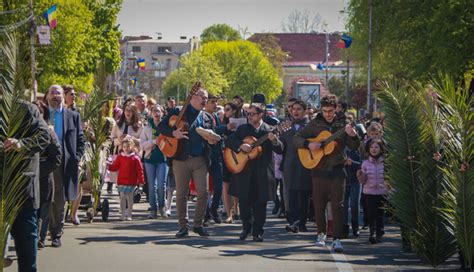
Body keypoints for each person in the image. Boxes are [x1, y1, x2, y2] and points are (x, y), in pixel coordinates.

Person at [293, 95, 359, 253]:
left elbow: (355, 146)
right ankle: (321, 234)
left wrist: (353, 135)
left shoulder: (343, 124)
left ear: (336, 108)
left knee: (338, 206)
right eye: (325, 110)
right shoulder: (315, 123)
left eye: (330, 110)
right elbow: (296, 138)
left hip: (337, 169)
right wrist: (309, 144)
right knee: (319, 204)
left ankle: (336, 239)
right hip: (319, 169)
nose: (328, 114)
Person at [2, 99, 50, 272]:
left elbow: (44, 137)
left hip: (22, 193)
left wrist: (21, 144)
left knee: (27, 259)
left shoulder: (27, 109)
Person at [158, 87, 213, 238]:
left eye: (206, 98)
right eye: (203, 97)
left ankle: (198, 224)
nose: (205, 101)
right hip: (181, 159)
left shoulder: (207, 117)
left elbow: (213, 138)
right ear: (193, 96)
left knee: (203, 192)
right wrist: (173, 133)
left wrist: (213, 140)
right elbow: (161, 127)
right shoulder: (178, 110)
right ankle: (183, 226)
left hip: (200, 159)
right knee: (181, 193)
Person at [226, 104, 283, 242]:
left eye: (252, 114)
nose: (249, 117)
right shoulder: (242, 129)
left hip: (262, 172)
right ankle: (246, 228)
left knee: (260, 204)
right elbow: (229, 140)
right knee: (244, 203)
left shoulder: (269, 130)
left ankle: (258, 232)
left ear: (260, 115)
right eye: (248, 114)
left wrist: (274, 140)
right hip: (244, 171)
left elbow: (280, 149)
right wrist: (240, 145)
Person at [46, 85, 85, 248]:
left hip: (64, 161)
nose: (55, 95)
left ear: (63, 96)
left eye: (58, 93)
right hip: (43, 160)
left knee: (59, 199)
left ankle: (56, 233)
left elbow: (80, 139)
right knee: (43, 197)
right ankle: (41, 233)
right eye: (52, 92)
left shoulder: (73, 116)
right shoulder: (41, 114)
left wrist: (76, 157)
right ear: (47, 96)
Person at [278, 100, 312, 233]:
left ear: (305, 111)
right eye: (293, 109)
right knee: (290, 193)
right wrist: (275, 140)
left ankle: (302, 222)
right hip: (290, 164)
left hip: (306, 163)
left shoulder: (311, 126)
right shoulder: (286, 126)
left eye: (298, 109)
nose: (295, 111)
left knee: (303, 195)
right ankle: (292, 221)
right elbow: (280, 148)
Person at [32, 101, 62, 249]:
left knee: (43, 212)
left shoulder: (49, 133)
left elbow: (56, 158)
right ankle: (31, 237)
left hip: (44, 179)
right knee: (32, 213)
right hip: (27, 181)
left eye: (40, 111)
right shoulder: (23, 131)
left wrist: (39, 170)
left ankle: (41, 239)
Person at [202, 94, 236, 224]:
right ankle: (205, 215)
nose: (215, 104)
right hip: (206, 155)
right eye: (212, 102)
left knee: (218, 186)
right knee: (204, 188)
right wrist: (225, 128)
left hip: (217, 155)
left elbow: (219, 132)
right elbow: (211, 131)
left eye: (216, 102)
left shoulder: (215, 116)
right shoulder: (203, 116)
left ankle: (213, 210)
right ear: (205, 104)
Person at [140, 104, 168, 218]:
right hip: (149, 159)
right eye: (154, 111)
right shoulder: (147, 127)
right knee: (152, 186)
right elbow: (142, 145)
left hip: (163, 159)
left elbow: (171, 142)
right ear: (151, 113)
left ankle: (162, 207)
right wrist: (153, 142)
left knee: (162, 185)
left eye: (158, 111)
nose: (156, 113)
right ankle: (153, 209)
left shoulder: (166, 127)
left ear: (162, 113)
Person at [357, 139, 387, 244]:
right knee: (371, 213)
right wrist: (360, 175)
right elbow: (362, 181)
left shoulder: (385, 163)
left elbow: (388, 178)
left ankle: (380, 232)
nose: (374, 149)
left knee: (380, 214)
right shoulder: (365, 163)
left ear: (381, 149)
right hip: (369, 193)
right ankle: (372, 233)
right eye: (372, 147)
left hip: (382, 192)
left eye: (376, 147)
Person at [109, 101, 143, 193]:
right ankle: (123, 200)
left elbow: (142, 142)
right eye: (126, 110)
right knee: (120, 182)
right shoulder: (117, 124)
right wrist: (119, 139)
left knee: (130, 182)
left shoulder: (139, 125)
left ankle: (130, 199)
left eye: (131, 111)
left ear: (134, 112)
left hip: (133, 157)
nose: (128, 113)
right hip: (120, 156)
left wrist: (131, 139)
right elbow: (111, 139)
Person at [108, 137, 145, 220]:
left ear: (132, 146)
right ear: (122, 147)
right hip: (121, 181)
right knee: (122, 198)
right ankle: (123, 214)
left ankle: (129, 215)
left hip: (131, 182)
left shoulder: (135, 158)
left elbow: (140, 171)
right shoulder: (120, 157)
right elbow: (115, 167)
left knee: (130, 199)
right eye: (124, 147)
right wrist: (108, 166)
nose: (126, 149)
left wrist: (141, 182)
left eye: (128, 146)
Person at [221, 102, 240, 223]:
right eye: (225, 109)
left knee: (237, 184)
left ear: (233, 111)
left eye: (228, 109)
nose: (225, 112)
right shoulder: (222, 123)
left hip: (238, 157)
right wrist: (226, 128)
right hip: (225, 156)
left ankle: (236, 208)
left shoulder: (241, 123)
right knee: (226, 185)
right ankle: (228, 213)